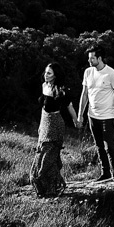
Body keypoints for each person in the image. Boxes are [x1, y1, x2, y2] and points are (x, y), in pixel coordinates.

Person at [77, 45, 114, 188]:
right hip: (92, 116)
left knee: (110, 147)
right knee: (98, 145)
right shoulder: (88, 72)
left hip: (107, 116)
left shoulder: (111, 73)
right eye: (89, 58)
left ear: (100, 58)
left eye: (92, 58)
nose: (89, 61)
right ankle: (105, 173)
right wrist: (80, 115)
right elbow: (84, 94)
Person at [31, 61, 77, 197]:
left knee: (48, 155)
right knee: (43, 153)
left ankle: (50, 186)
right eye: (45, 72)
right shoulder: (44, 85)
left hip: (55, 124)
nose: (46, 75)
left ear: (55, 76)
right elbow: (43, 108)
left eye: (49, 73)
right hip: (44, 123)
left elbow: (69, 106)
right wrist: (40, 127)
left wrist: (76, 120)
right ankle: (49, 187)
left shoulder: (59, 89)